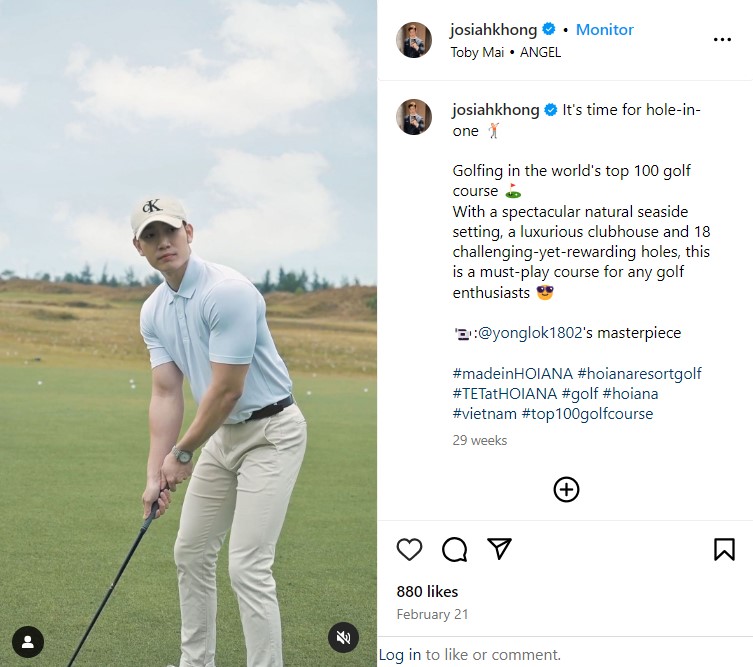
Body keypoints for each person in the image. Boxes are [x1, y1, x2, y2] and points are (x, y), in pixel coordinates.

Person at [131, 195, 307, 667]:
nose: (163, 241)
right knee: (190, 552)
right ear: (138, 248)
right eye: (151, 236)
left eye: (170, 231)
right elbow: (166, 394)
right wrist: (156, 474)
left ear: (189, 232)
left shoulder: (228, 291)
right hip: (222, 437)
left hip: (271, 432)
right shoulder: (153, 311)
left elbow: (228, 390)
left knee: (247, 566)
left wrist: (183, 453)